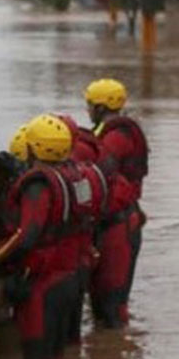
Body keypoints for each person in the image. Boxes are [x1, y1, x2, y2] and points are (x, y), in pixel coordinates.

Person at [0, 115, 95, 359]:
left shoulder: (38, 184)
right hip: (70, 274)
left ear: (33, 148)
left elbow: (28, 235)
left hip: (43, 281)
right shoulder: (76, 175)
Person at [84, 79, 149, 329]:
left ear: (100, 108)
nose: (88, 110)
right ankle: (112, 355)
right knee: (102, 300)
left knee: (111, 303)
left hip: (118, 225)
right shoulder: (114, 132)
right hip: (119, 219)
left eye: (90, 105)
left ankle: (117, 356)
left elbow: (100, 172)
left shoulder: (116, 137)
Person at [53, 113, 108, 345]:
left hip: (64, 263)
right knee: (71, 335)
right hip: (80, 257)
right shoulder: (85, 174)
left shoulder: (57, 179)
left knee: (56, 338)